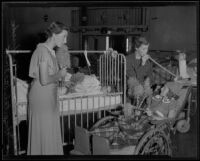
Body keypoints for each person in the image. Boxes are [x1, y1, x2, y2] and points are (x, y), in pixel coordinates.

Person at [27, 21, 68, 155]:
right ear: (55, 35)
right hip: (42, 97)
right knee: (44, 133)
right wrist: (60, 74)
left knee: (49, 132)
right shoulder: (43, 51)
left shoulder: (50, 52)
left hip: (48, 96)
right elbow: (44, 80)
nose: (65, 40)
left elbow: (51, 77)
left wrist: (62, 78)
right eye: (64, 36)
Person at [126, 36, 153, 104]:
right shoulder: (128, 60)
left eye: (147, 48)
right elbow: (134, 79)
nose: (146, 51)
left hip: (144, 90)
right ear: (136, 48)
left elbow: (150, 76)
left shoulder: (148, 61)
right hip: (131, 89)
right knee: (139, 90)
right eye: (143, 49)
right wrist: (143, 64)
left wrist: (149, 85)